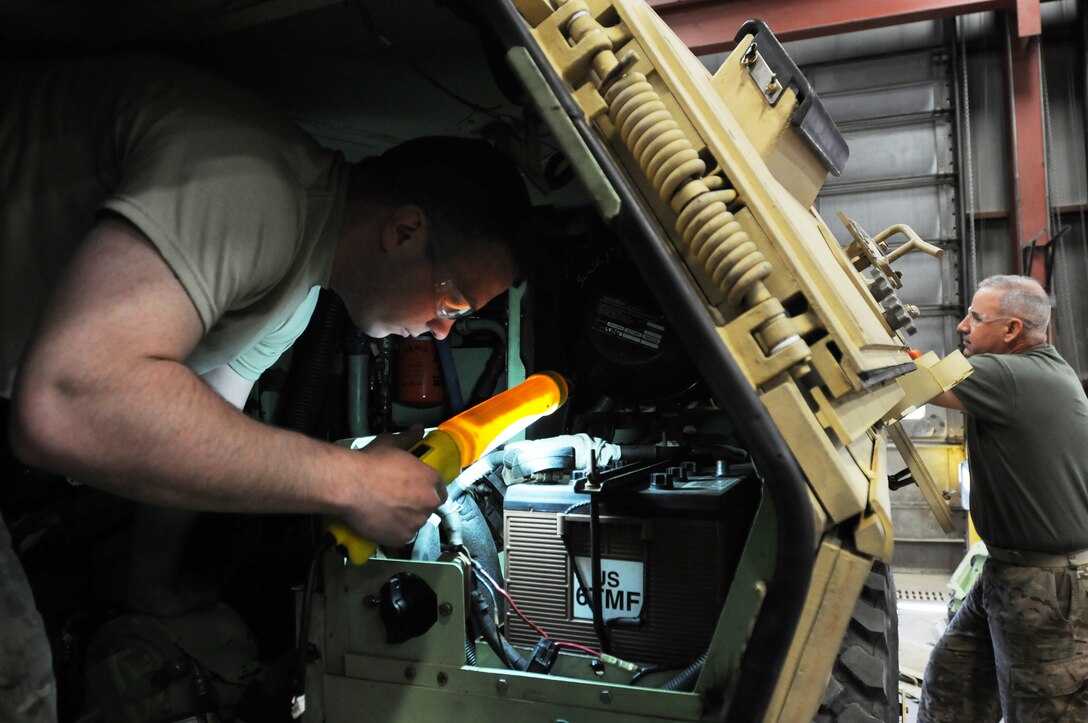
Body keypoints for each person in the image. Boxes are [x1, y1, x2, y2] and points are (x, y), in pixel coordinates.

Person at [1, 54, 531, 721]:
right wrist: (350, 479)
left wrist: (152, 587)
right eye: (452, 302)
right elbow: (68, 401)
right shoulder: (254, 186)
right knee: (17, 689)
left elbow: (192, 439)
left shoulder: (293, 298)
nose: (443, 331)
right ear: (404, 231)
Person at [919, 274, 1088, 721]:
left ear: (1012, 330)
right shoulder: (1034, 372)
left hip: (1047, 588)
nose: (962, 326)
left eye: (976, 317)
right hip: (1007, 570)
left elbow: (914, 382)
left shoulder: (1011, 375)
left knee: (1046, 711)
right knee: (951, 690)